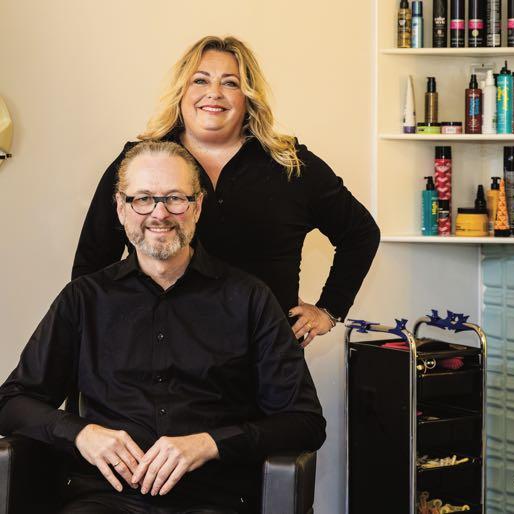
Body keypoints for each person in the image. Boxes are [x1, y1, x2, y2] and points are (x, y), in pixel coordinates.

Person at [0, 141, 326, 514]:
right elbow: (11, 403)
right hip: (103, 499)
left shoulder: (250, 299)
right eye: (143, 199)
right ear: (121, 208)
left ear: (197, 206)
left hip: (215, 500)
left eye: (175, 198)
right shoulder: (83, 299)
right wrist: (81, 433)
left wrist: (209, 443)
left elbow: (304, 422)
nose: (159, 213)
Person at [72, 36, 380, 347]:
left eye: (230, 83)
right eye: (200, 80)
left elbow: (361, 233)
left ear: (248, 97)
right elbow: (92, 262)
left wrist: (329, 310)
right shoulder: (141, 162)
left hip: (264, 357)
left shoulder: (291, 165)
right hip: (159, 356)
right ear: (181, 91)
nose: (214, 93)